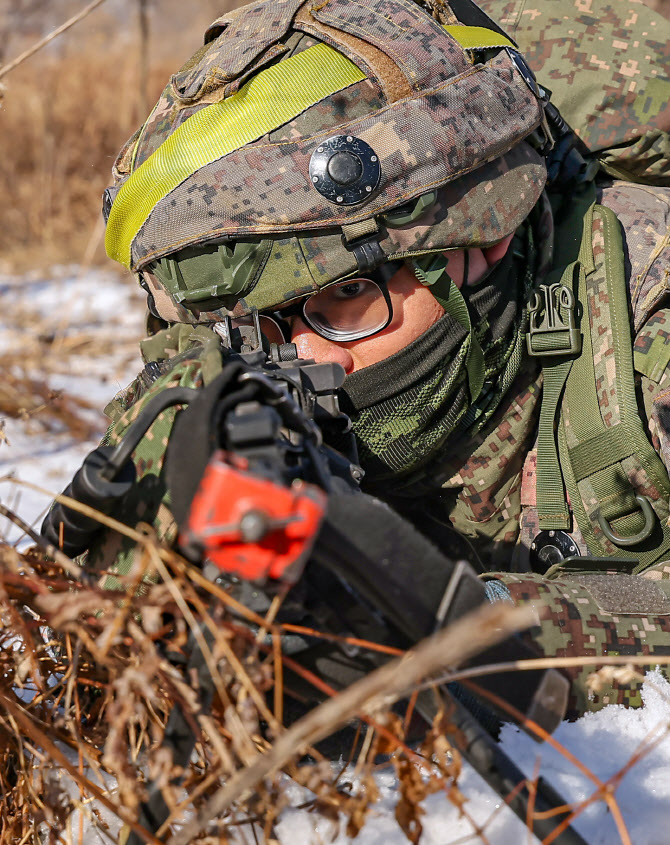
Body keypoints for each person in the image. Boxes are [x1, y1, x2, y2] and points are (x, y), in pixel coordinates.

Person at [85, 0, 670, 718]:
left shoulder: (646, 314)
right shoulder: (251, 369)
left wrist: (465, 636)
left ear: (481, 236)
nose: (302, 357)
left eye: (349, 294)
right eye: (261, 322)